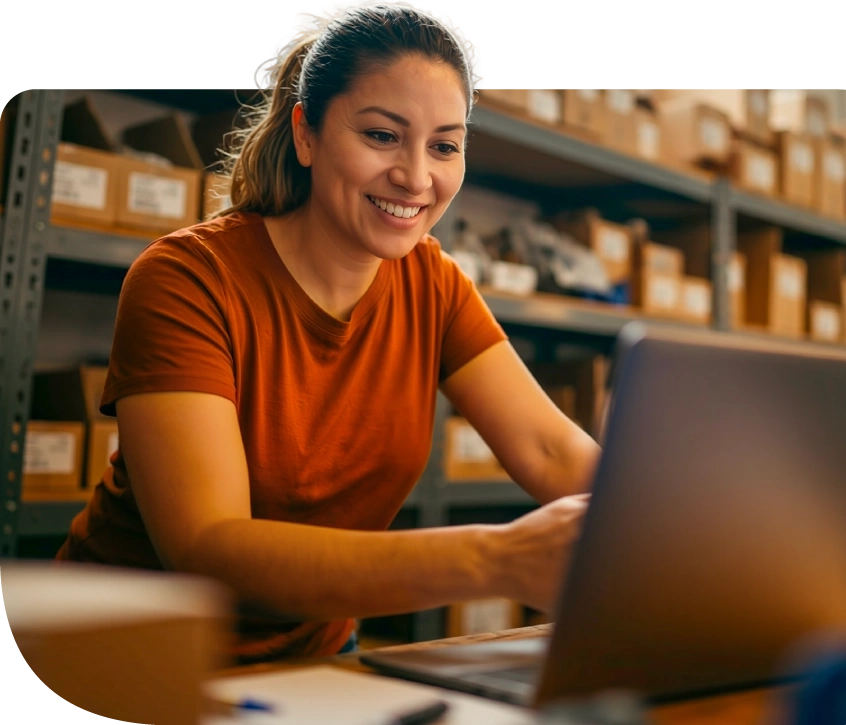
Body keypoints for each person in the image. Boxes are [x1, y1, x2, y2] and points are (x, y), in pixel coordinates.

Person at [55, 0, 601, 666]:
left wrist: (687, 520)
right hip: (134, 659)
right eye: (381, 135)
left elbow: (549, 450)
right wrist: (496, 557)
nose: (416, 176)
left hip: (317, 657)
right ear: (306, 134)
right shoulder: (186, 278)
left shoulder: (435, 283)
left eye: (445, 145)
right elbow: (206, 546)